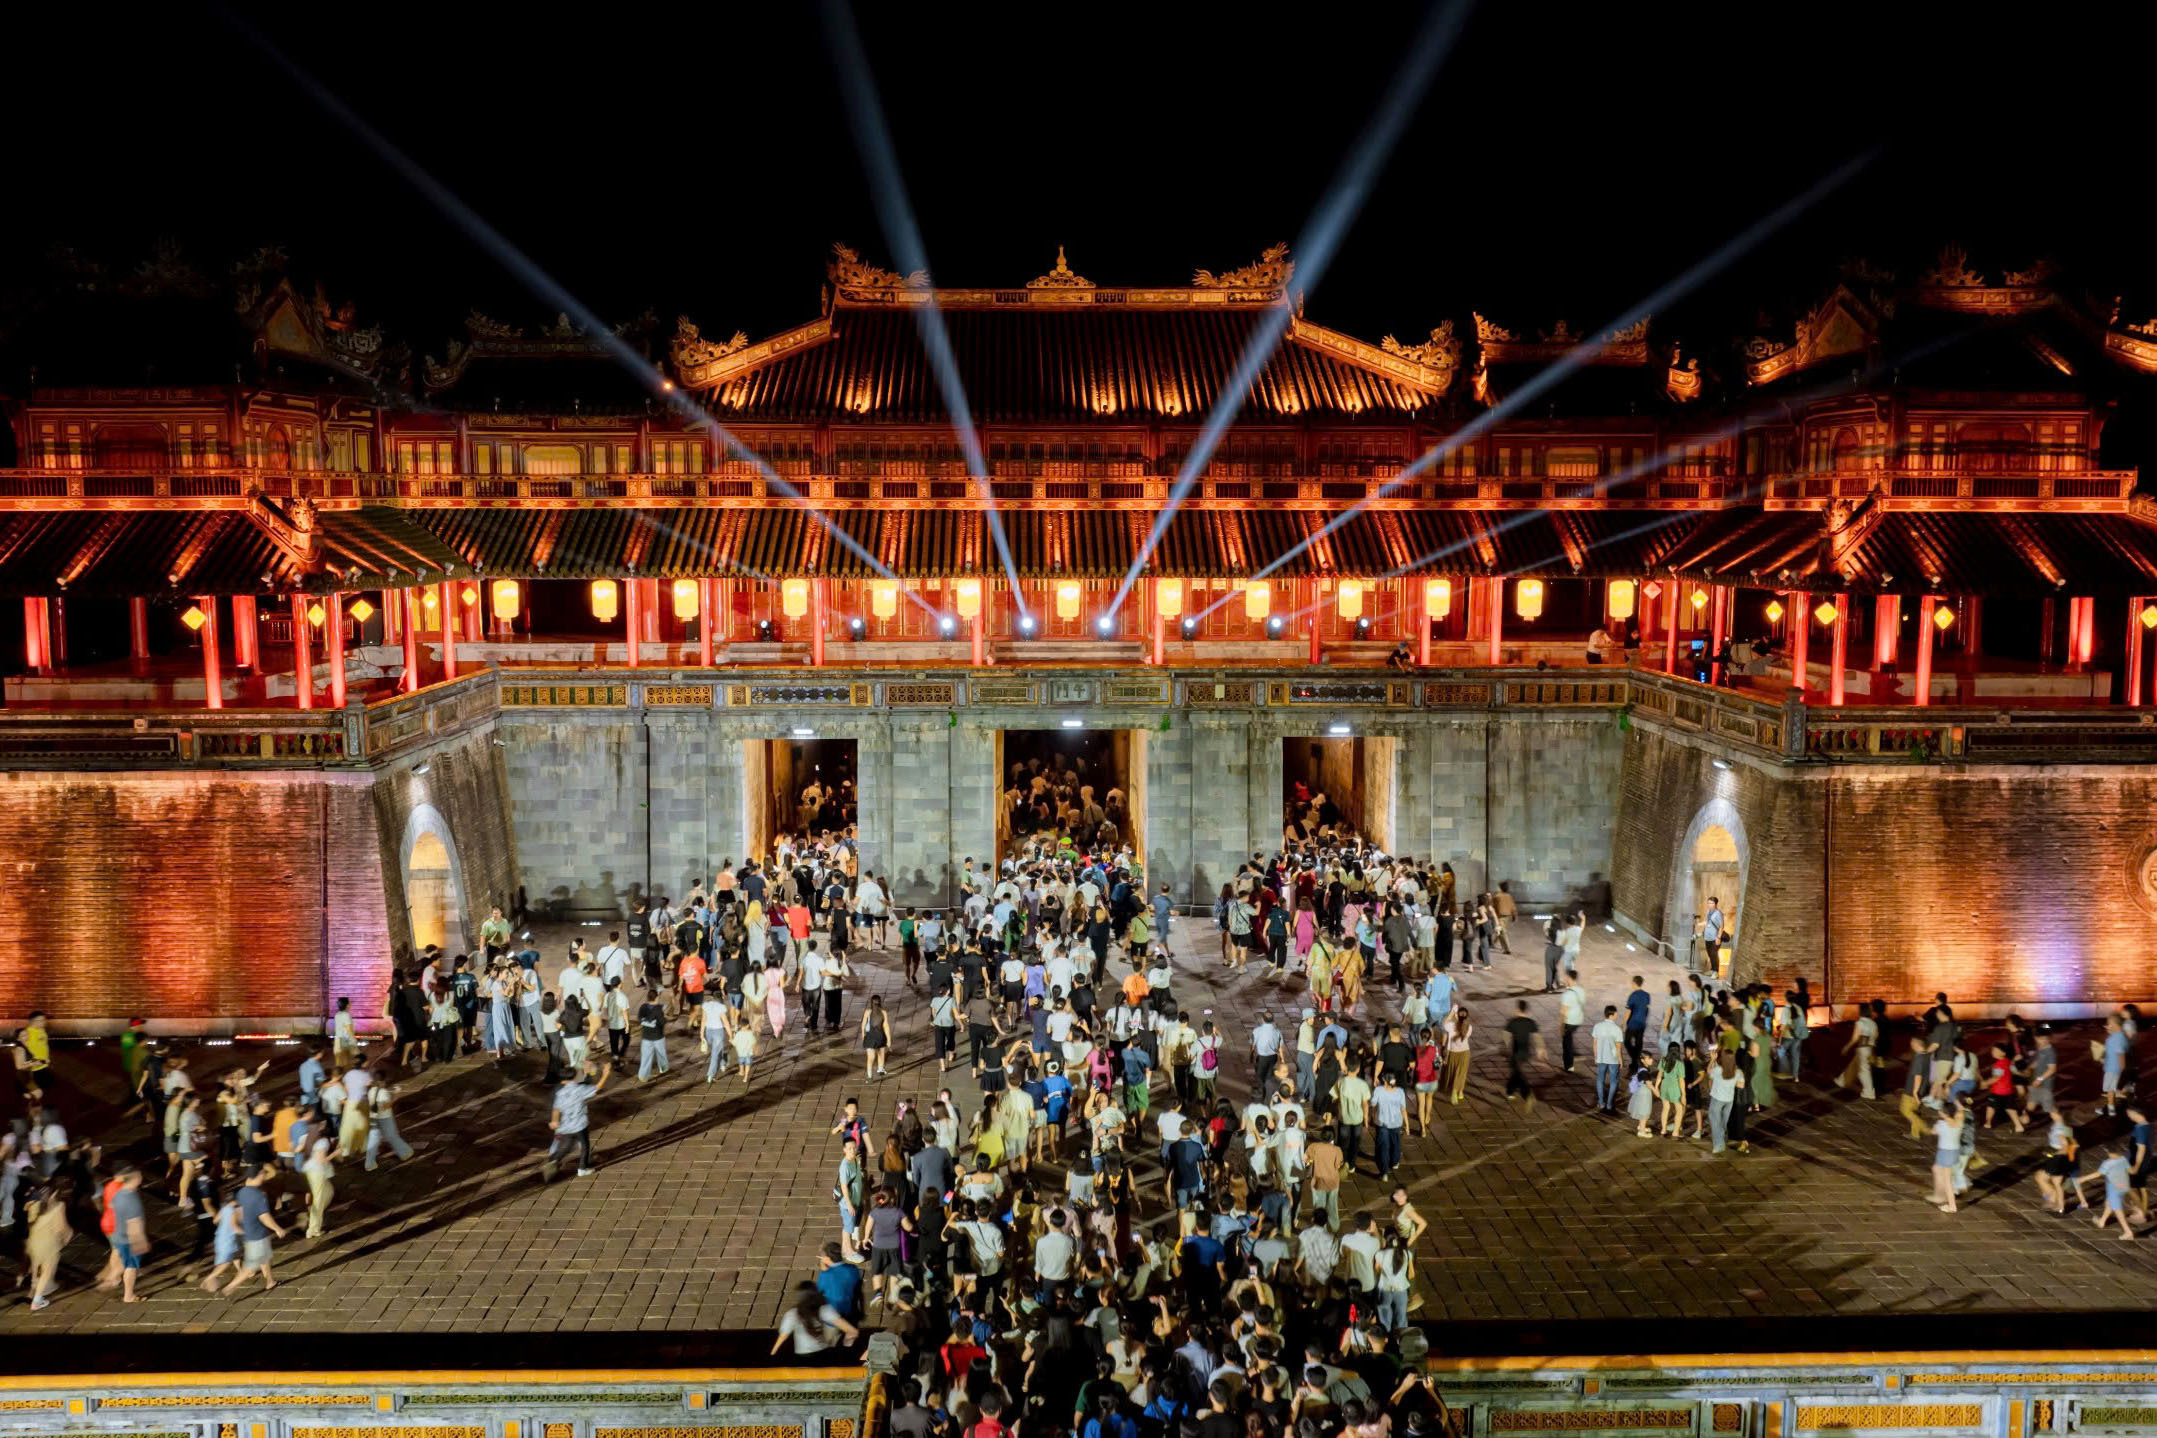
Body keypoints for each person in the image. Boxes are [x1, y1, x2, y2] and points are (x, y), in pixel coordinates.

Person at [220, 1164, 289, 1295]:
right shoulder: (258, 1195)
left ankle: (270, 1282)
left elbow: (239, 1212)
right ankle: (230, 1287)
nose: (264, 1177)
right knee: (250, 1267)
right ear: (256, 1176)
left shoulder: (241, 1192)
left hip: (249, 1233)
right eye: (262, 1174)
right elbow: (264, 1217)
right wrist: (277, 1229)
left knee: (265, 1258)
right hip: (257, 1235)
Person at [543, 1061, 613, 1180]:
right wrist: (606, 1074)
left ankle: (554, 1160)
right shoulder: (579, 1089)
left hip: (566, 1126)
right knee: (585, 1146)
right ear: (574, 1077)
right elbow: (597, 1088)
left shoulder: (560, 1092)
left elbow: (556, 1109)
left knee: (565, 1146)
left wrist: (554, 1121)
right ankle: (582, 1169)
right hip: (579, 1124)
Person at [1503, 1001, 1540, 1106]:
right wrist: (1541, 1050)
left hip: (1516, 1053)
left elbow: (1505, 1037)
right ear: (1526, 1010)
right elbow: (1537, 1038)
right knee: (1516, 1072)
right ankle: (1510, 1091)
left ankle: (1527, 1094)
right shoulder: (1531, 1022)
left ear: (1517, 1009)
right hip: (1526, 1052)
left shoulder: (1512, 1022)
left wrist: (1505, 1049)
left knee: (1517, 1073)